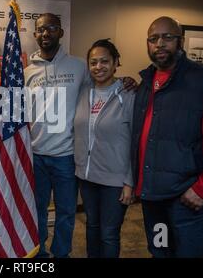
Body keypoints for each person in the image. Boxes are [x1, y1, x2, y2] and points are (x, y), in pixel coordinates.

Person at [25, 13, 136, 258]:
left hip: (67, 157)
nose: (46, 33)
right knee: (38, 211)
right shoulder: (27, 72)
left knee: (66, 213)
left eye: (52, 28)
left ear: (61, 32)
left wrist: (126, 81)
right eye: (41, 29)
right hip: (37, 155)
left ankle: (61, 253)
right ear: (35, 35)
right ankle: (40, 254)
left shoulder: (78, 67)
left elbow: (104, 82)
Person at [131, 16, 203, 258]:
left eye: (167, 37)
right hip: (153, 198)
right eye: (153, 38)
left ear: (181, 41)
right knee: (160, 252)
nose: (159, 43)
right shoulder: (146, 82)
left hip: (186, 200)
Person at [74, 39, 134, 258]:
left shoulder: (128, 95)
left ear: (116, 62)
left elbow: (136, 142)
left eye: (104, 61)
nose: (98, 67)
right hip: (87, 176)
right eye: (93, 62)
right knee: (92, 227)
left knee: (109, 233)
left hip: (115, 181)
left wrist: (129, 181)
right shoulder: (82, 92)